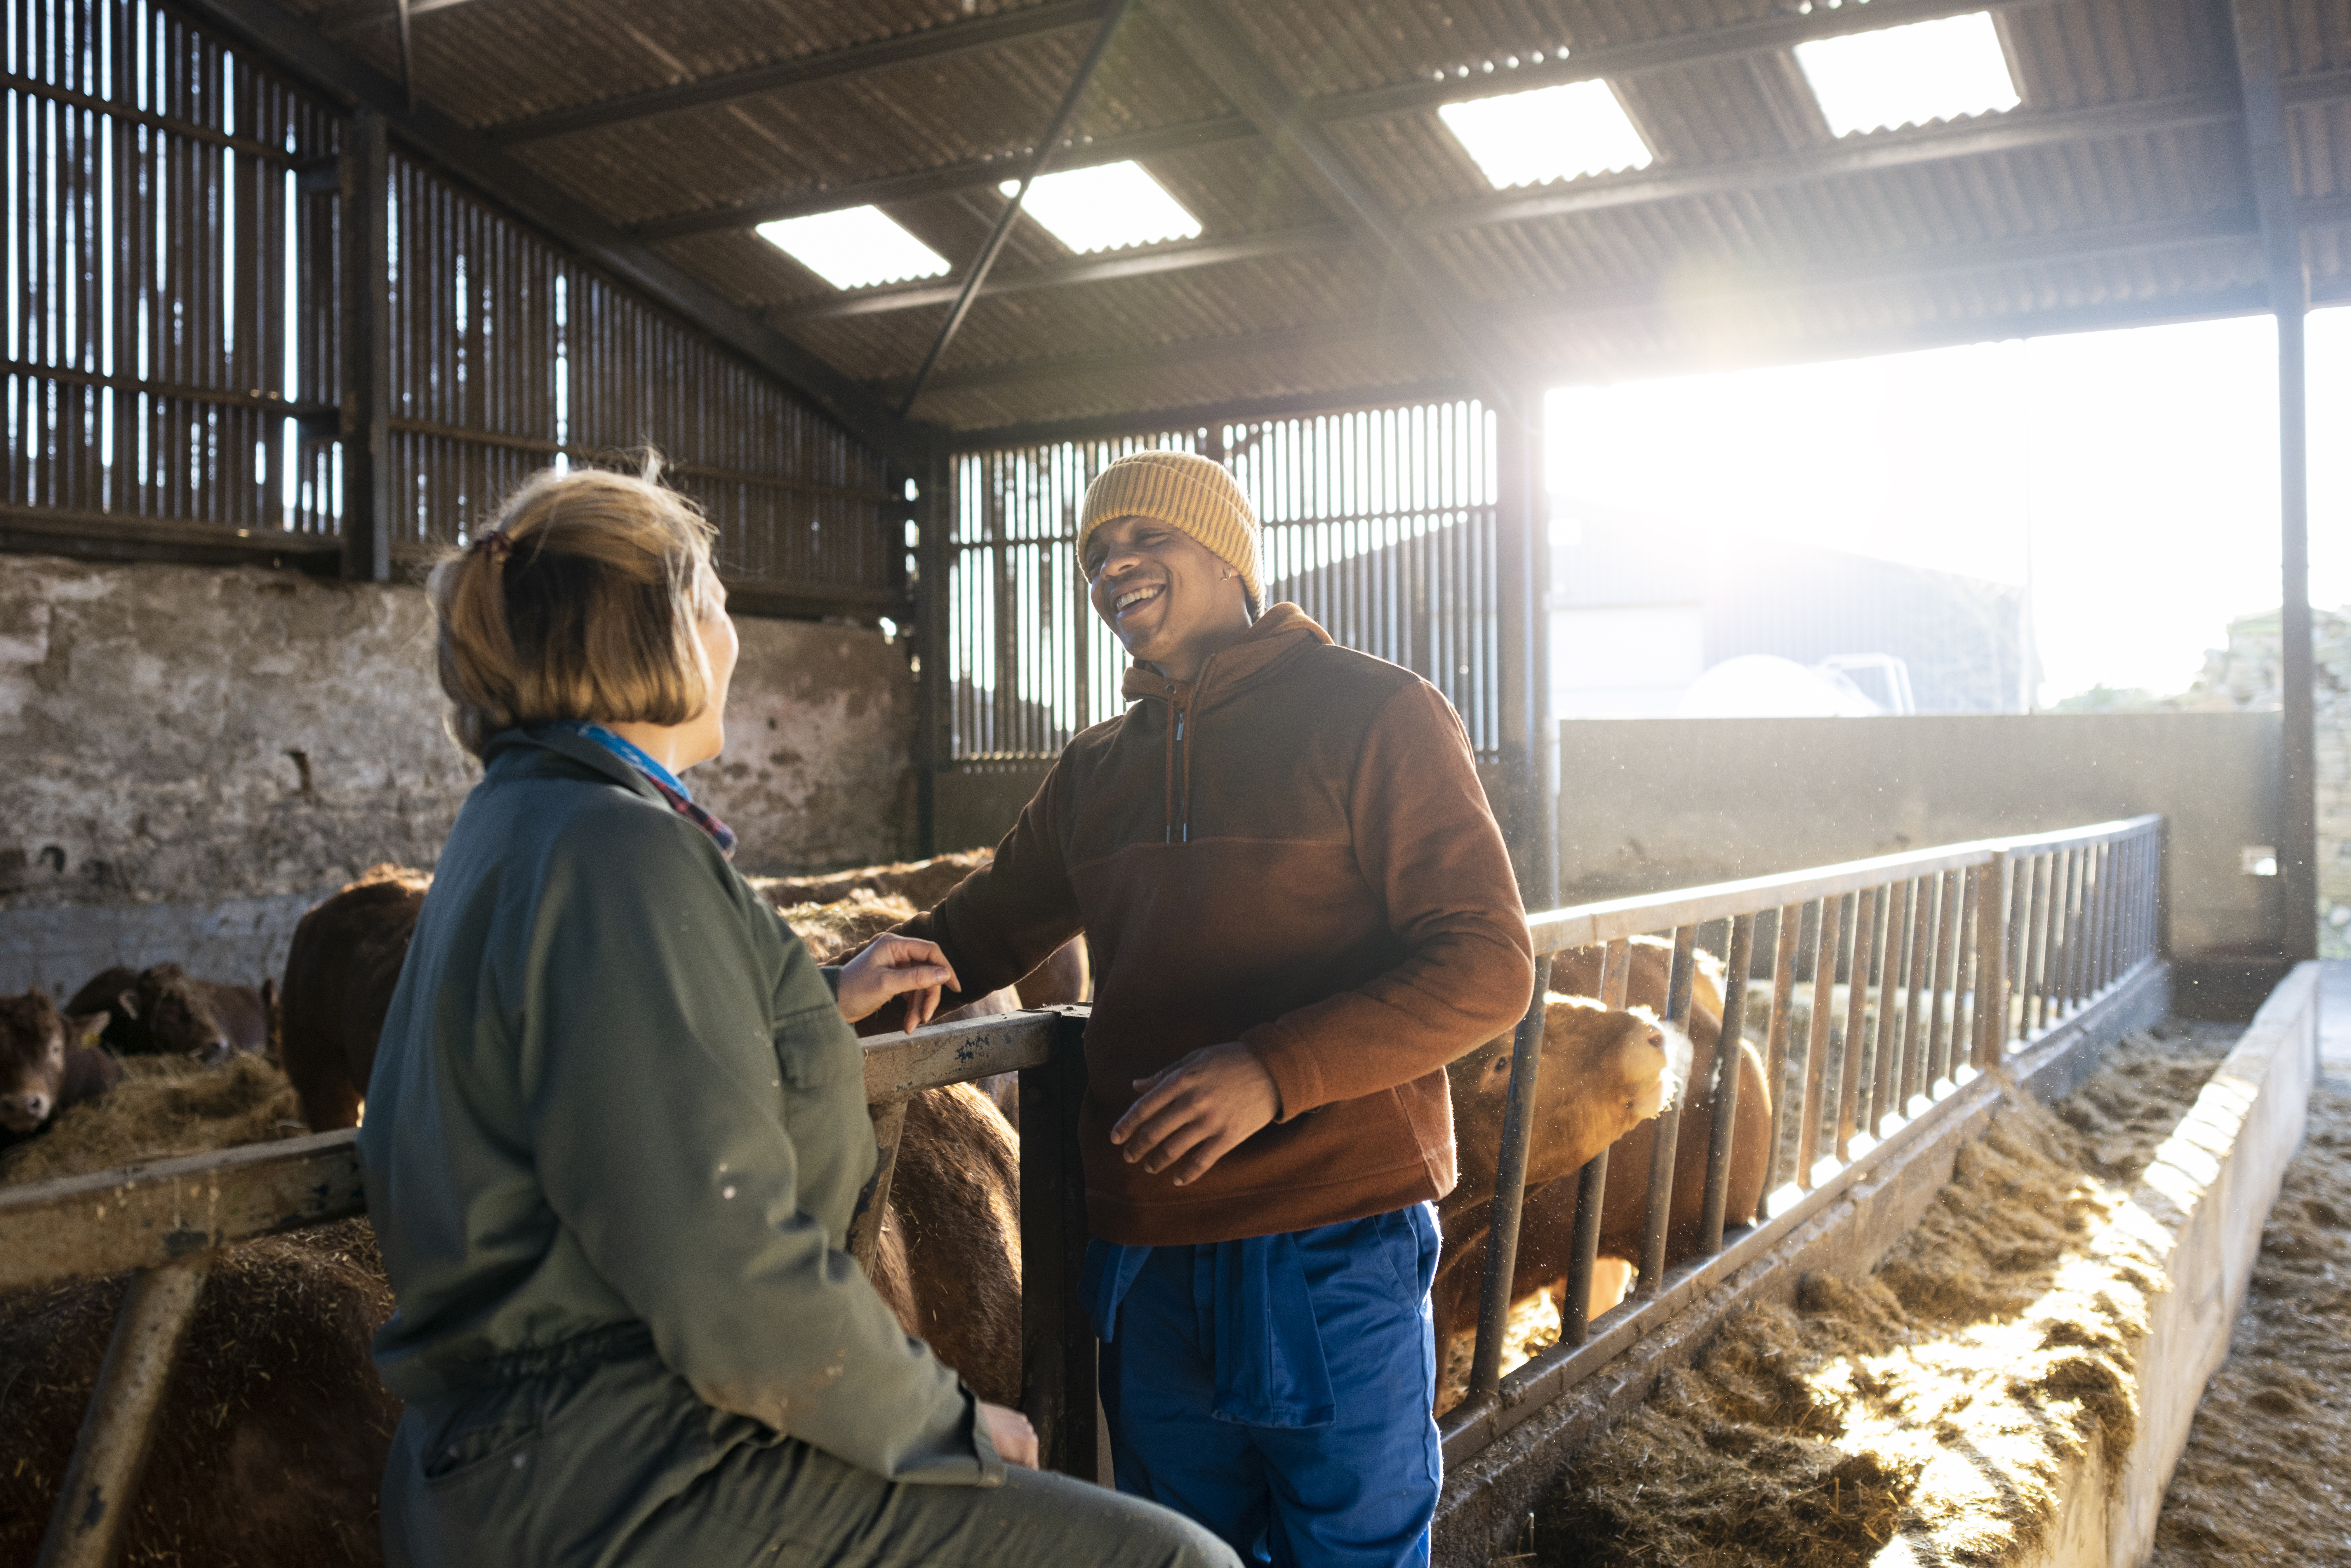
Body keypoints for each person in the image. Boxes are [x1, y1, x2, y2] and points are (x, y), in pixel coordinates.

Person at [357, 463, 1237, 1568]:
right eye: (717, 599)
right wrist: (947, 1424)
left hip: (517, 1459)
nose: (734, 634)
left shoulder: (525, 824)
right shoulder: (619, 856)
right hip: (633, 1473)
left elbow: (615, 1074)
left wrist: (809, 1002)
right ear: (661, 630)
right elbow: (722, 1261)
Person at [892, 449, 1537, 1567]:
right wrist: (795, 999)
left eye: (1146, 538)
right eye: (1096, 553)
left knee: (1354, 1549)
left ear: (1228, 553)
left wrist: (1272, 1067)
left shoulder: (1376, 713)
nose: (1114, 566)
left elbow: (1488, 964)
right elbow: (969, 935)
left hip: (1329, 1238)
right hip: (1151, 1253)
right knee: (1186, 1551)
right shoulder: (1098, 769)